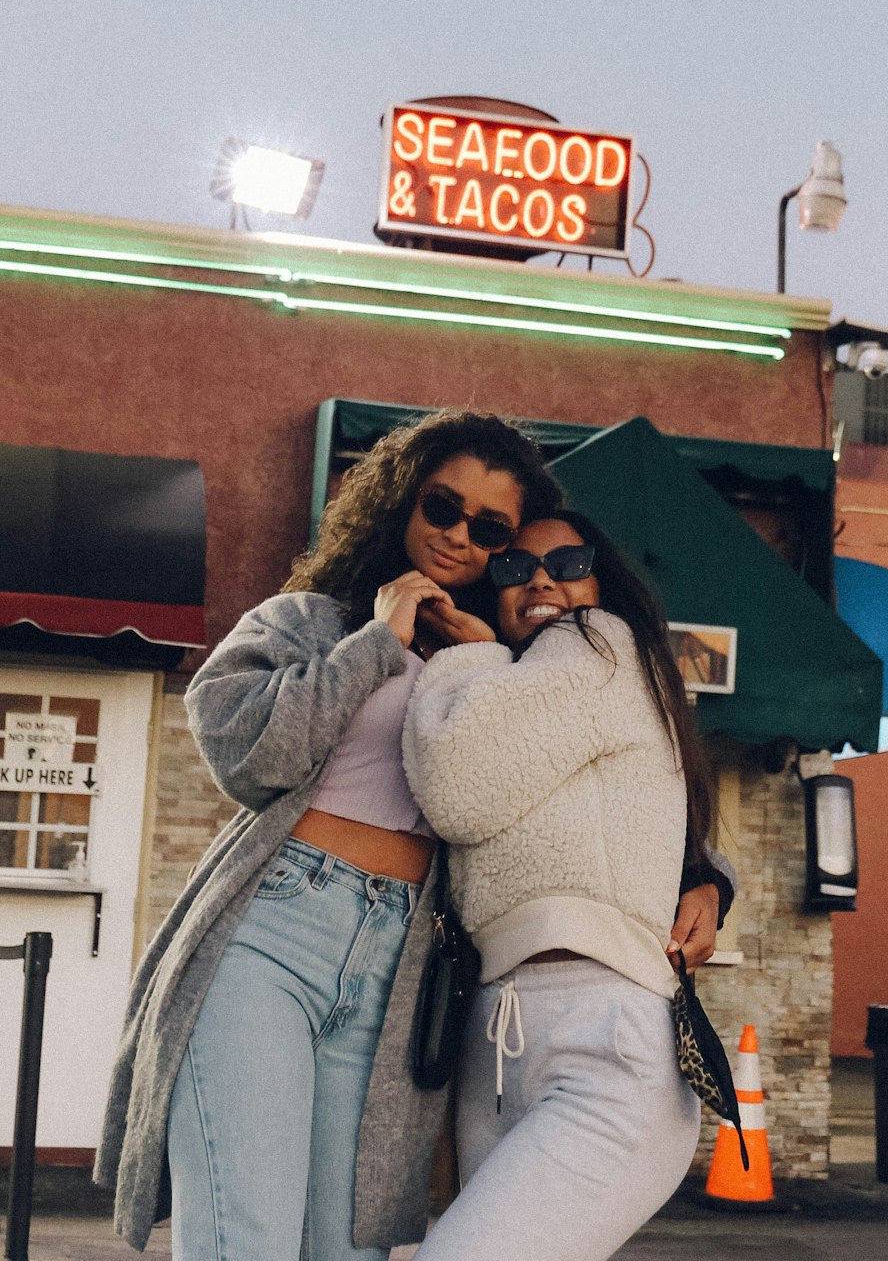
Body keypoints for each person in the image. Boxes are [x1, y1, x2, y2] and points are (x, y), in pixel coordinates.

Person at [94, 411, 729, 1261]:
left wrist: (707, 874)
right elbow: (245, 754)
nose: (461, 536)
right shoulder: (312, 622)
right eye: (442, 506)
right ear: (402, 501)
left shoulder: (513, 666)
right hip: (275, 928)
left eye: (491, 530)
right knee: (244, 1235)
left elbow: (603, 795)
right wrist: (374, 642)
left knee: (345, 1241)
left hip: (400, 975)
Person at [402, 509, 729, 1261]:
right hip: (494, 1042)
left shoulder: (600, 642)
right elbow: (671, 833)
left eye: (568, 561)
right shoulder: (526, 694)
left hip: (603, 1041)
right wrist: (710, 881)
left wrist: (470, 658)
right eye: (514, 569)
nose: (541, 578)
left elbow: (457, 788)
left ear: (603, 579)